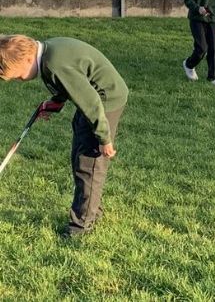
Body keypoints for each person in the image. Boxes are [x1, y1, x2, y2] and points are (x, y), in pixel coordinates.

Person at [0, 35, 128, 237]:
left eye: (18, 76)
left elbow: (91, 101)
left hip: (105, 100)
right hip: (95, 99)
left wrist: (104, 138)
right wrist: (56, 102)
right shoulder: (48, 54)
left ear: (27, 59)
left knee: (89, 163)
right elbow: (70, 83)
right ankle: (91, 209)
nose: (20, 80)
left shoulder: (53, 64)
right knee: (79, 155)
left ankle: (81, 226)